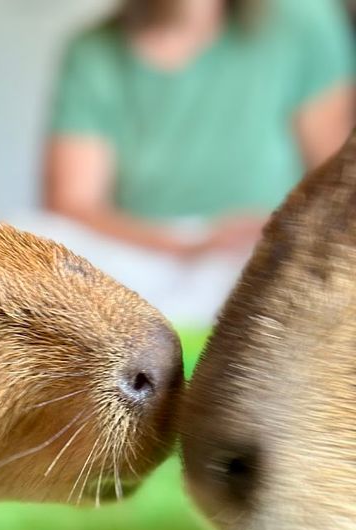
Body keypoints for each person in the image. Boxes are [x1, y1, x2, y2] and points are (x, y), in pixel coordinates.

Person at [38, 0, 356, 322]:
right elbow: (73, 203)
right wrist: (187, 248)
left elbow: (334, 181)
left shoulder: (302, 18)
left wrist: (279, 229)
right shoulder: (93, 51)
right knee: (34, 236)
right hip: (143, 248)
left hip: (261, 242)